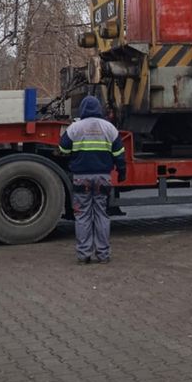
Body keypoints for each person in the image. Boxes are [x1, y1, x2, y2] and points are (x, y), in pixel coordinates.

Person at [58, 96, 125, 264]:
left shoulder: (75, 128)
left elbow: (62, 148)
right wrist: (122, 171)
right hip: (103, 177)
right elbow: (119, 153)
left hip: (81, 178)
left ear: (82, 109)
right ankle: (103, 255)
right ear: (99, 109)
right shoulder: (109, 127)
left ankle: (84, 255)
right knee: (101, 214)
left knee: (82, 216)